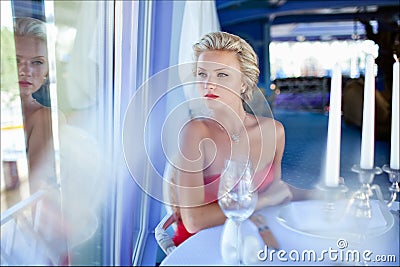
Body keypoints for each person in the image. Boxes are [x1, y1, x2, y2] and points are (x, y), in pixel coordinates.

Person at [170, 31, 315, 246]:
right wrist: (262, 202)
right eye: (202, 74)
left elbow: (276, 190)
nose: (209, 84)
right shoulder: (195, 132)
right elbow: (193, 221)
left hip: (255, 232)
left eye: (222, 75)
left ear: (244, 83)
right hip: (203, 242)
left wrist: (318, 193)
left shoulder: (274, 131)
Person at [14, 17, 56, 194]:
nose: (25, 70)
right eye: (15, 60)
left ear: (47, 72)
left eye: (37, 62)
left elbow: (31, 194)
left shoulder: (45, 118)